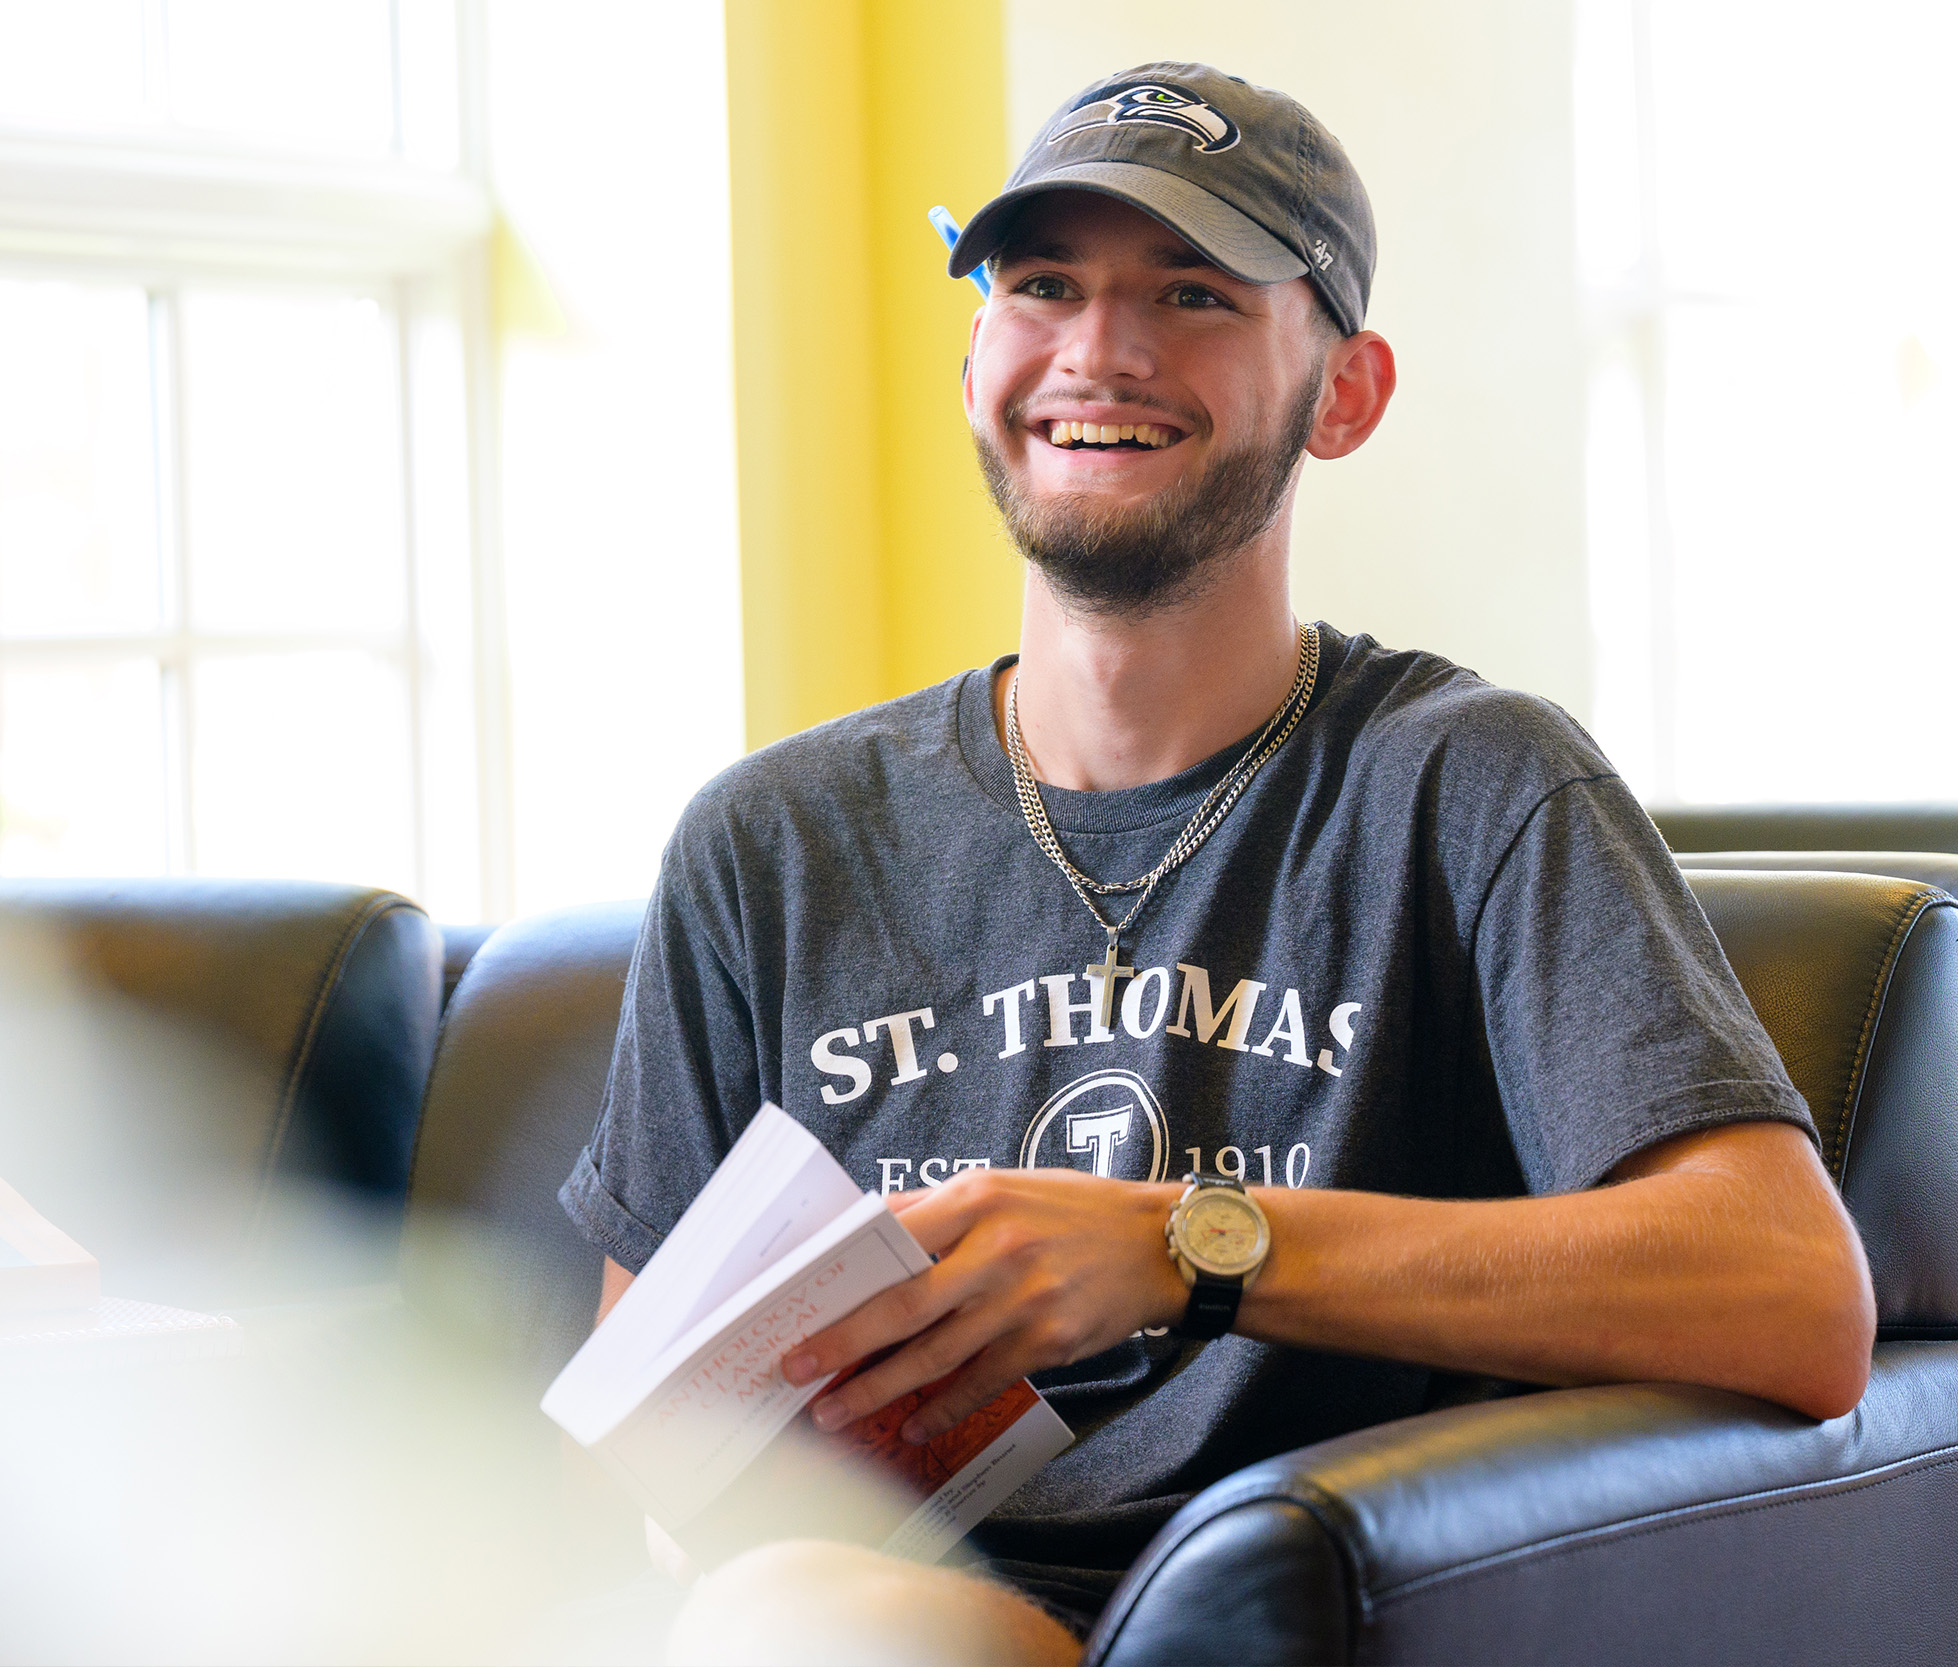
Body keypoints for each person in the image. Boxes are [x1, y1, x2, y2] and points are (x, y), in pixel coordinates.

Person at [561, 62, 1875, 1665]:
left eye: (1191, 294)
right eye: (1040, 286)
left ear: (1346, 392)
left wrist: (1181, 1245)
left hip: (1285, 1606)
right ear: (975, 352)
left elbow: (1790, 1296)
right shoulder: (769, 839)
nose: (1096, 351)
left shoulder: (1466, 784)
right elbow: (657, 1431)